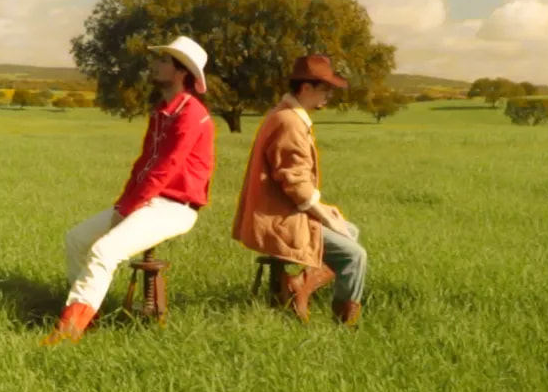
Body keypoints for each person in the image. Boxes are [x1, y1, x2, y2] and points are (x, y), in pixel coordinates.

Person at [42, 36, 216, 346]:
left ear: (181, 72)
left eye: (163, 61)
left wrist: (128, 209)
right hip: (148, 201)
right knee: (77, 239)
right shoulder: (162, 110)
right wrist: (124, 204)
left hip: (175, 206)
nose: (155, 65)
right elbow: (143, 165)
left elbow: (167, 167)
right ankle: (88, 316)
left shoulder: (191, 113)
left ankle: (68, 333)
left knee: (103, 251)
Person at [232, 54, 370, 325]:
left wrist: (323, 208)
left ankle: (300, 285)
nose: (328, 95)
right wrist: (324, 216)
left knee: (350, 231)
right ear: (305, 88)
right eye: (324, 88)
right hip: (276, 219)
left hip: (280, 210)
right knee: (355, 255)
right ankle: (345, 325)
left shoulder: (284, 114)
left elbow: (295, 180)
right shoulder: (290, 122)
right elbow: (294, 183)